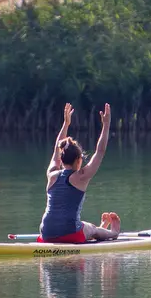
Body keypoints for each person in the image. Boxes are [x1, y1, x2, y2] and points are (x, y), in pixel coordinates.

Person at [39, 102, 121, 243]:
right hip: (69, 233)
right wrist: (106, 125)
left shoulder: (51, 174)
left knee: (85, 226)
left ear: (62, 158)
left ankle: (99, 230)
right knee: (91, 229)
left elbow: (56, 150)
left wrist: (66, 124)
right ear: (78, 160)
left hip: (46, 232)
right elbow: (100, 151)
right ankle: (112, 233)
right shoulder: (81, 177)